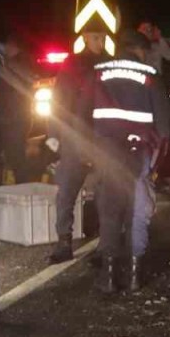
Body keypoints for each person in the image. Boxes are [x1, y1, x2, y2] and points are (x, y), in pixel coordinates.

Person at [85, 29, 170, 292]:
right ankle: (134, 276)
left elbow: (81, 112)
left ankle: (109, 277)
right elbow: (164, 126)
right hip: (138, 151)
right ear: (140, 50)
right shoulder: (149, 75)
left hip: (106, 150)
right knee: (137, 209)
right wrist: (158, 159)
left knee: (110, 209)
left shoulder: (98, 71)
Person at [45, 29, 107, 264]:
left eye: (101, 37)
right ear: (85, 38)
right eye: (95, 37)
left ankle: (105, 246)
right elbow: (58, 98)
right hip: (74, 137)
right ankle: (64, 243)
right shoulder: (73, 63)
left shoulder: (106, 64)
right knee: (67, 193)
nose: (100, 41)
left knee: (104, 194)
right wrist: (53, 132)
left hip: (101, 138)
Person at [0, 33, 35, 184]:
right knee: (14, 155)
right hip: (17, 117)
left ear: (14, 47)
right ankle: (20, 184)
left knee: (15, 155)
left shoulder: (15, 65)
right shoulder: (19, 63)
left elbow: (8, 91)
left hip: (14, 119)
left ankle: (21, 185)